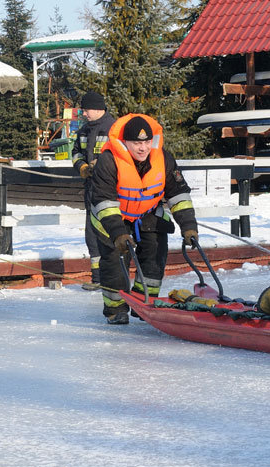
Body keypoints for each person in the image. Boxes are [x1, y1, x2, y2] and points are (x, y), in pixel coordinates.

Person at [90, 113, 198, 324]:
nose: (143, 148)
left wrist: (188, 226)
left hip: (146, 214)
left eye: (147, 142)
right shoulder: (108, 160)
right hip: (111, 219)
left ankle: (143, 304)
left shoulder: (163, 158)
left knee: (155, 255)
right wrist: (119, 233)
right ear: (125, 142)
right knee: (115, 263)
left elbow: (178, 194)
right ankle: (115, 310)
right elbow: (104, 200)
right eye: (136, 143)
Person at [71, 91, 116, 290]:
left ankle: (112, 278)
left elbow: (120, 155)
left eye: (86, 110)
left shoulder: (113, 129)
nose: (84, 114)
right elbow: (75, 153)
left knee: (108, 232)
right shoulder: (83, 131)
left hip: (110, 190)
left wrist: (101, 165)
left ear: (98, 109)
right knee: (92, 234)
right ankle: (97, 278)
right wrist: (81, 166)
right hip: (91, 189)